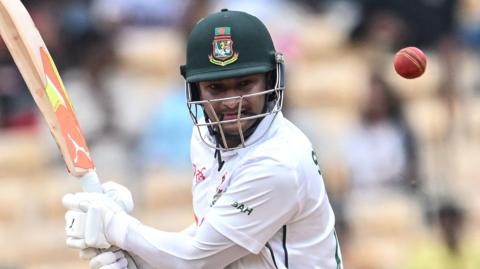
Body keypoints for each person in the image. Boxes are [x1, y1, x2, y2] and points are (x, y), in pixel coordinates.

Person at [62, 9, 343, 268]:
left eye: (245, 84)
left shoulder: (279, 164)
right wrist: (139, 257)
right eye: (215, 88)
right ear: (196, 91)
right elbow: (210, 238)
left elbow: (194, 259)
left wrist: (118, 227)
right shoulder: (203, 137)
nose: (232, 103)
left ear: (270, 82)